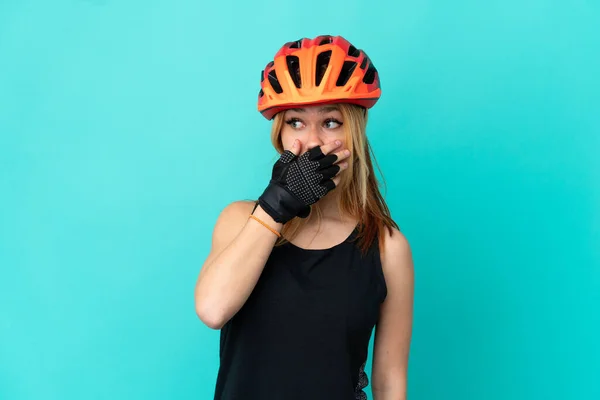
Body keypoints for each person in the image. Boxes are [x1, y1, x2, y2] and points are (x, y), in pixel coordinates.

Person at [194, 35, 414, 400]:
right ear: (279, 134)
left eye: (330, 122)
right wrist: (277, 204)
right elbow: (213, 309)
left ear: (355, 133)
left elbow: (390, 380)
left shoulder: (386, 247)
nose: (312, 142)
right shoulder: (240, 220)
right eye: (296, 122)